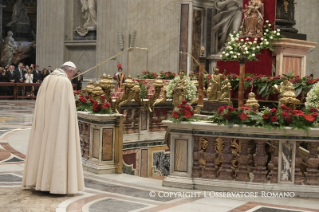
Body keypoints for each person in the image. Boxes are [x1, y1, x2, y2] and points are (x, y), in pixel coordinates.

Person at [22, 61, 85, 194]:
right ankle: (56, 185)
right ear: (71, 71)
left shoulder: (47, 79)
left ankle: (39, 180)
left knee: (42, 146)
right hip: (59, 125)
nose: (72, 77)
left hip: (45, 122)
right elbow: (68, 109)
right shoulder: (65, 82)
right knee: (58, 147)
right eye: (73, 74)